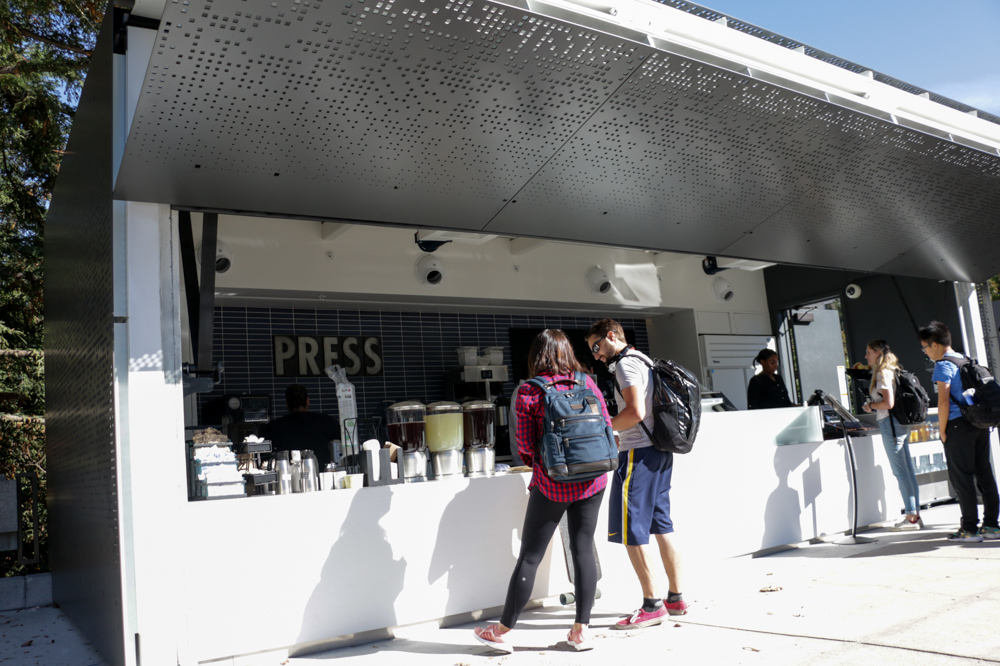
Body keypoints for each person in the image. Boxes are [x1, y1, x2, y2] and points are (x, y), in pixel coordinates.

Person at [473, 330, 610, 653]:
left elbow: (524, 446)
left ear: (535, 356)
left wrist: (546, 464)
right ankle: (581, 631)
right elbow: (605, 423)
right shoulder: (587, 382)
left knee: (531, 556)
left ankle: (502, 630)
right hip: (594, 478)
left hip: (553, 482)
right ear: (568, 352)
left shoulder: (529, 392)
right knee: (583, 548)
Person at [585, 318, 687, 629]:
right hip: (659, 452)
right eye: (592, 351)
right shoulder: (643, 359)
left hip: (638, 454)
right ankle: (675, 598)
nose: (597, 355)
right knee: (661, 525)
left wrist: (602, 426)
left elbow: (635, 413)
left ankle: (652, 604)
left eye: (597, 347)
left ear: (611, 336)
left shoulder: (625, 366)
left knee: (632, 531)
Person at [918, 321, 1000, 542]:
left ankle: (970, 529)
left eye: (925, 347)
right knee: (984, 474)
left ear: (935, 344)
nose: (925, 352)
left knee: (962, 478)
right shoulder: (964, 359)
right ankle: (992, 526)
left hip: (957, 425)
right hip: (979, 423)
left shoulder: (943, 366)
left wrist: (942, 431)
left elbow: (943, 402)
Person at [860, 340, 922, 530]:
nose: (866, 356)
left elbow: (888, 403)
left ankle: (911, 517)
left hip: (890, 423)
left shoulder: (882, 373)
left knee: (900, 472)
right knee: (908, 471)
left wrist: (870, 405)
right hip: (900, 424)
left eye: (868, 352)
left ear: (878, 353)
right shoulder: (894, 370)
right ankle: (915, 515)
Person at [261, 384, 339, 470]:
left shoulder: (274, 427)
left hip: (289, 477)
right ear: (307, 401)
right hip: (322, 475)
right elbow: (345, 437)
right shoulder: (325, 421)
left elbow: (262, 451)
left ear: (287, 404)